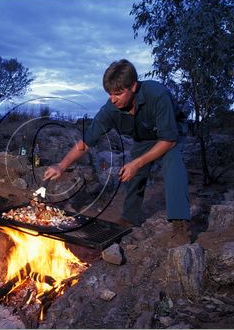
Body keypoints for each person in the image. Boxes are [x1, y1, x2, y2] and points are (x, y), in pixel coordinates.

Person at [43, 59, 190, 233]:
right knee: (133, 173)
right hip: (144, 138)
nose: (112, 99)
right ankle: (129, 218)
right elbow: (86, 142)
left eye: (118, 94)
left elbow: (168, 139)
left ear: (133, 87)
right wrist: (61, 165)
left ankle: (180, 222)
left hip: (170, 134)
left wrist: (136, 163)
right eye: (109, 94)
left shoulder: (157, 94)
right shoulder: (109, 110)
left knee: (172, 162)